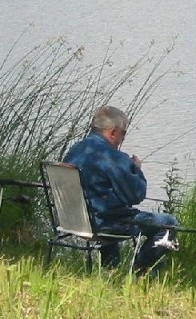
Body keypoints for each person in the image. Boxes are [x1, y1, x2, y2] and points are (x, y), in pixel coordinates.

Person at [63, 105, 179, 274]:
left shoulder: (74, 150)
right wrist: (136, 169)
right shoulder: (112, 157)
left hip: (71, 221)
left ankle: (111, 270)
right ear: (112, 132)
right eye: (123, 134)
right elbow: (136, 195)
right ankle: (140, 271)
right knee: (169, 224)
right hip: (101, 224)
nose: (122, 139)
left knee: (110, 209)